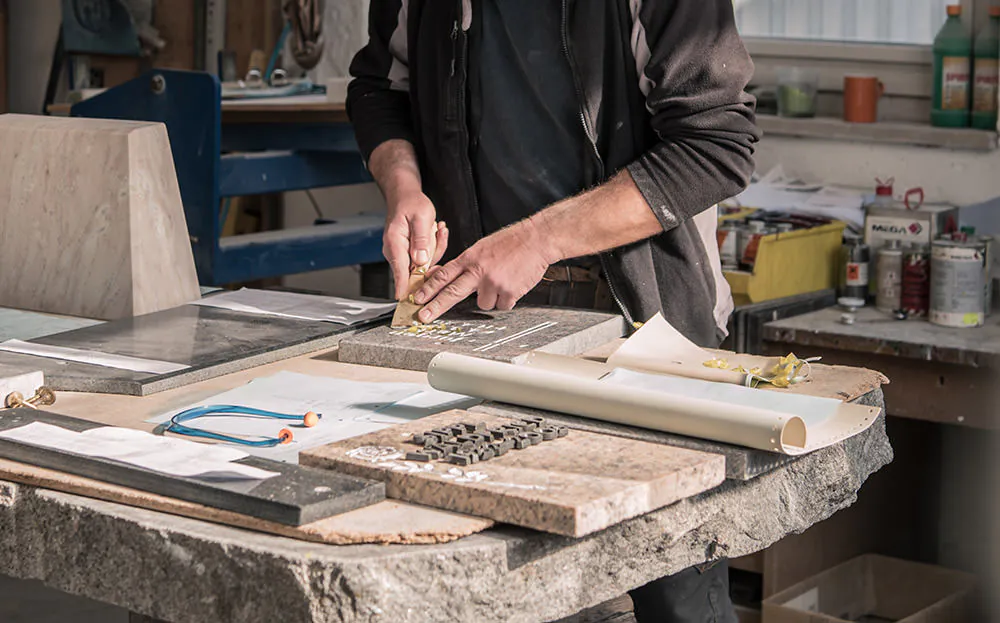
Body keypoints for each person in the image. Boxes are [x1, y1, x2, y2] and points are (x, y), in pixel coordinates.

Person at [347, 1, 760, 621]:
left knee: (672, 585)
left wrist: (539, 240)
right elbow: (379, 89)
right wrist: (405, 186)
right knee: (496, 576)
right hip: (479, 327)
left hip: (642, 329)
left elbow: (716, 145)